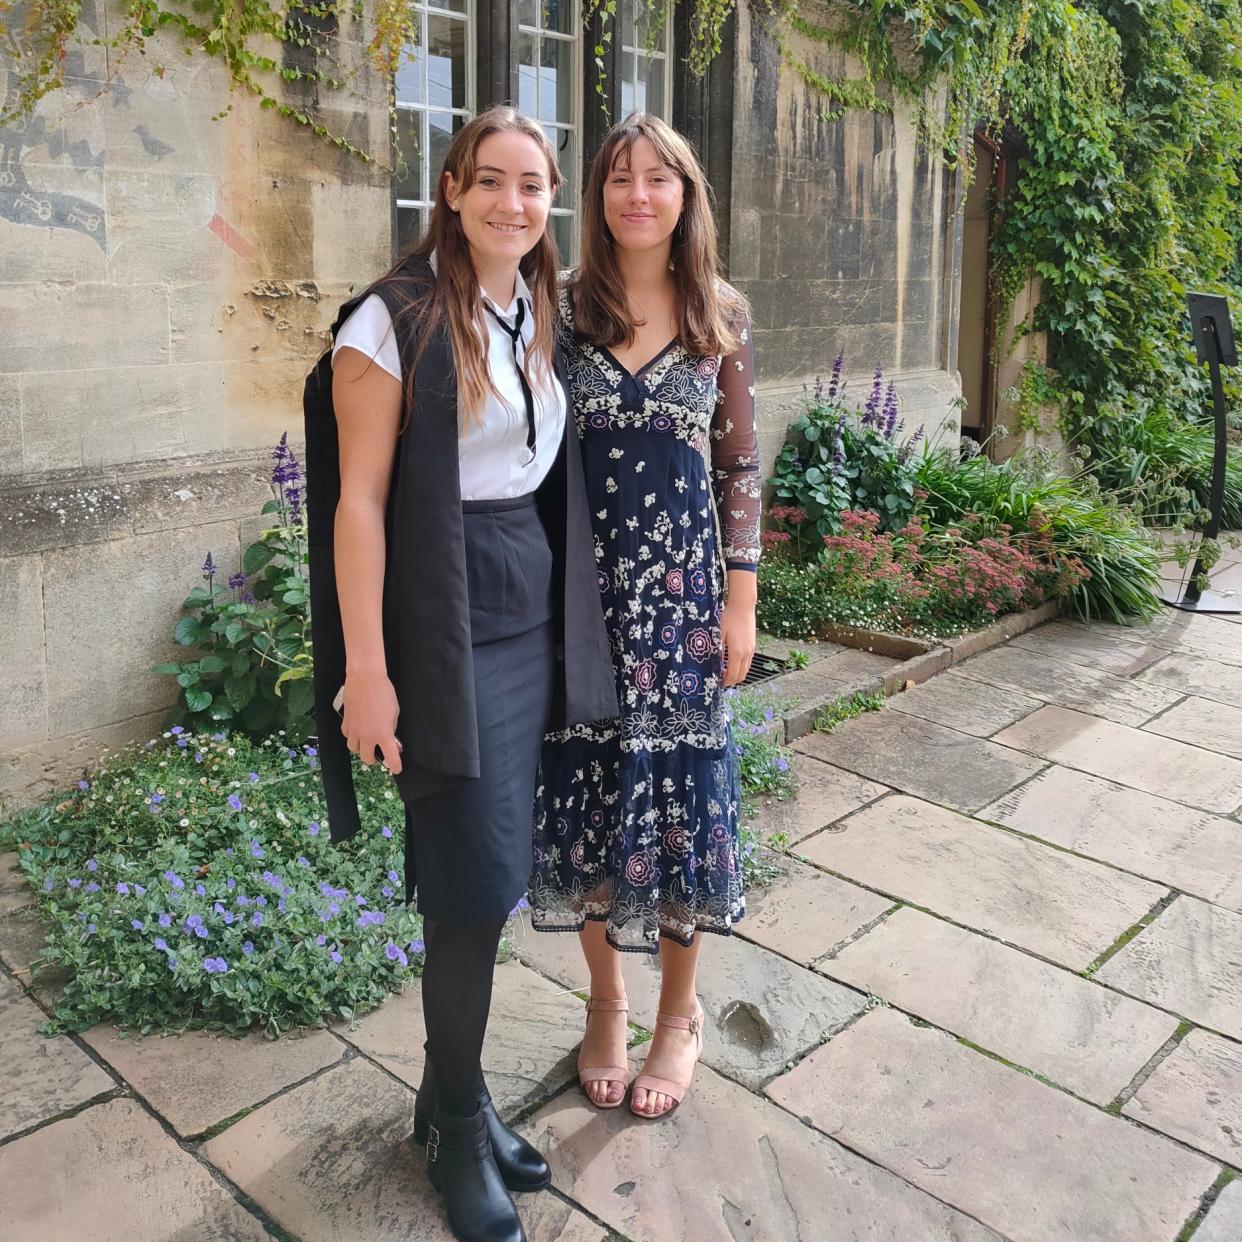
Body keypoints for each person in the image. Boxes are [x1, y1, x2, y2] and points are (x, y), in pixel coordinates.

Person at [304, 106, 617, 1242]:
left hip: (527, 612)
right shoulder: (392, 324)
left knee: (490, 883)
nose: (514, 203)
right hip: (444, 623)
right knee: (469, 895)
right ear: (449, 190)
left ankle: (460, 1104)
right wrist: (368, 675)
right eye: (491, 182)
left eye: (533, 186)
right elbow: (359, 504)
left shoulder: (534, 308)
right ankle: (451, 1123)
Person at [530, 113, 762, 1119]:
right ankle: (606, 1004)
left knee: (677, 814)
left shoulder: (719, 314)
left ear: (685, 195)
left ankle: (678, 1017)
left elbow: (738, 468)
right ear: (599, 196)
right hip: (573, 603)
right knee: (583, 802)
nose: (636, 194)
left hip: (680, 611)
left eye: (656, 178)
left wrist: (742, 604)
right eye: (618, 178)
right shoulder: (560, 307)